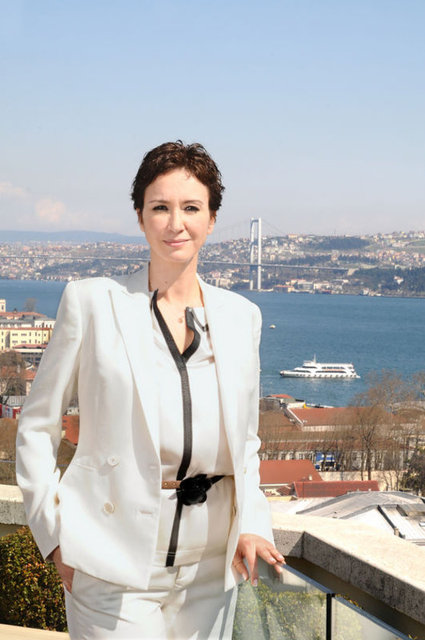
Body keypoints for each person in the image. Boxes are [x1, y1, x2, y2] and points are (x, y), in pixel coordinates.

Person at [16, 141, 284, 639]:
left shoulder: (241, 317)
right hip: (110, 562)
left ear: (212, 219)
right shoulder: (92, 302)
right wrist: (53, 537)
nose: (175, 223)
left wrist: (254, 524)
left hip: (212, 570)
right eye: (160, 207)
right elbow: (36, 426)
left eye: (191, 208)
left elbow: (245, 443)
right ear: (140, 217)